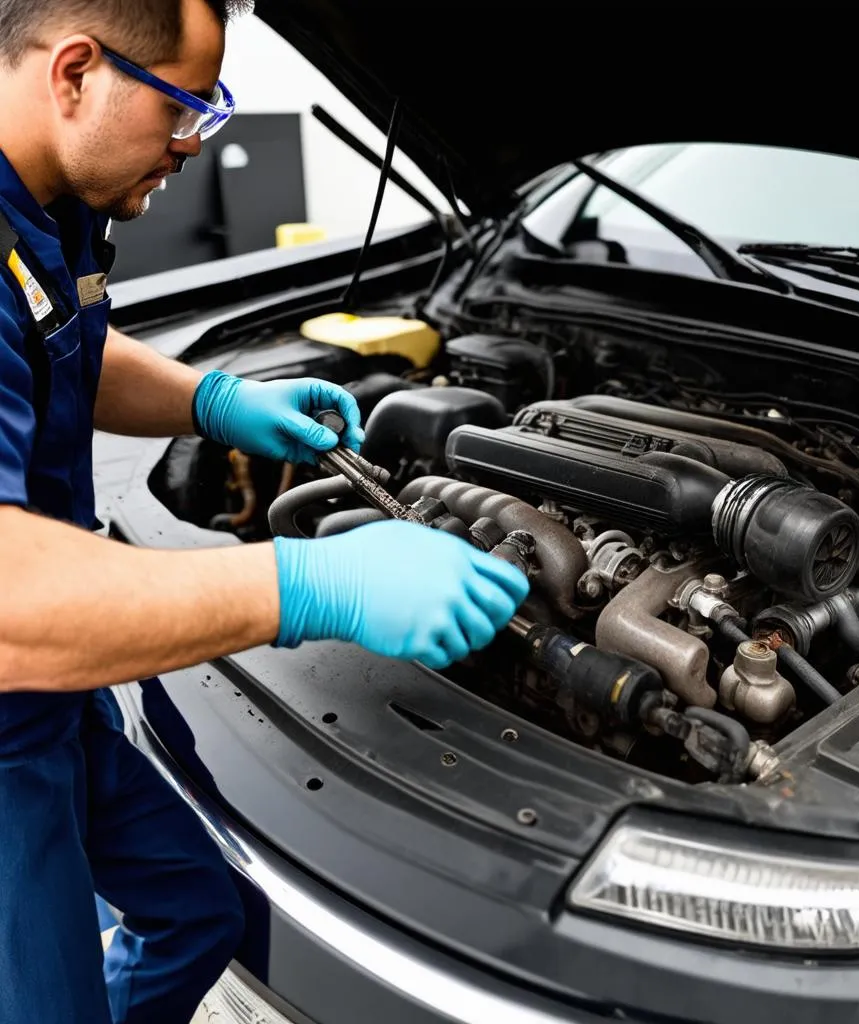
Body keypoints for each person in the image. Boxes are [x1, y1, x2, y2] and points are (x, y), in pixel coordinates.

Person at [0, 1, 531, 1021]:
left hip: (67, 682)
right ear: (73, 73)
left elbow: (61, 342)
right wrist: (312, 580)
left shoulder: (54, 190)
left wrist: (215, 401)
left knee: (198, 910)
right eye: (185, 112)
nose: (192, 148)